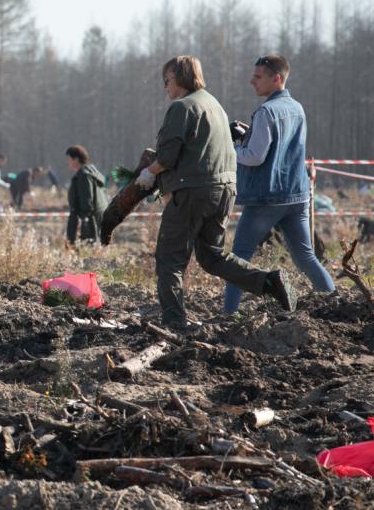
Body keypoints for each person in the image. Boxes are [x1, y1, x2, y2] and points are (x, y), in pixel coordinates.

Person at [135, 55, 295, 329]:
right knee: (212, 256)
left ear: (181, 78)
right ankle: (268, 282)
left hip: (193, 192)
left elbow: (168, 156)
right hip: (224, 190)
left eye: (167, 80)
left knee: (169, 260)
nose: (165, 86)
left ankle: (174, 323)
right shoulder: (214, 105)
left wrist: (149, 173)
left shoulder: (181, 107)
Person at [223, 54, 335, 313]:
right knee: (306, 257)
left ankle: (228, 315)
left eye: (258, 76)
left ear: (277, 78)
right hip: (297, 195)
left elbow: (254, 156)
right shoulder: (297, 107)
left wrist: (229, 148)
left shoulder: (266, 111)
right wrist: (250, 133)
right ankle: (335, 304)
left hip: (267, 197)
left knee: (238, 259)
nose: (252, 81)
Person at [65, 146, 109, 244]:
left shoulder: (83, 175)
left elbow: (86, 200)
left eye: (69, 159)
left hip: (89, 220)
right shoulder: (92, 172)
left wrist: (83, 222)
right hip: (99, 216)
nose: (68, 163)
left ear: (76, 159)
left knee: (87, 249)